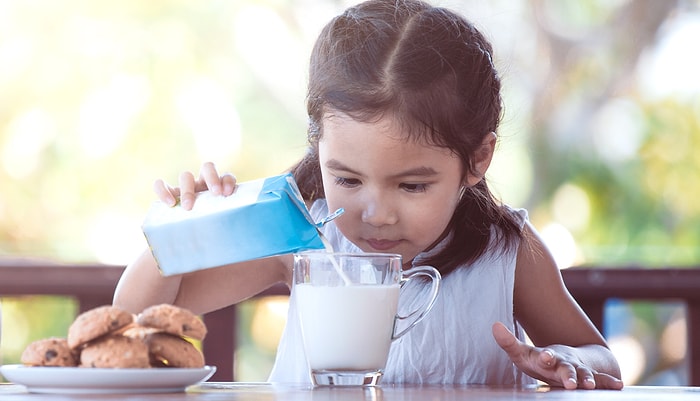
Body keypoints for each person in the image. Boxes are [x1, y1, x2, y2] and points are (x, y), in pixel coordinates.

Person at [113, 0, 623, 389]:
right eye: (348, 179)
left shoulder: (507, 250)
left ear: (478, 159)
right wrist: (179, 236)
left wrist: (572, 363)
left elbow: (601, 358)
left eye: (413, 185)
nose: (375, 214)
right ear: (319, 147)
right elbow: (134, 316)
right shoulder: (303, 236)